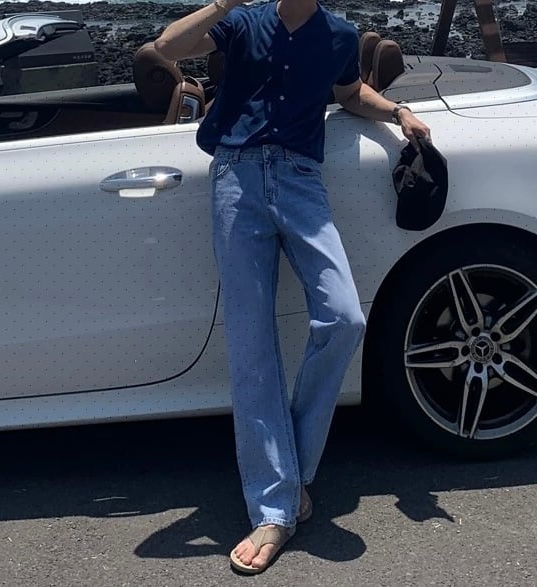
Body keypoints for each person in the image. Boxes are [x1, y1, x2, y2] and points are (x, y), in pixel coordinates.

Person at [154, 0, 432, 575]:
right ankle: (274, 510)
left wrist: (399, 111)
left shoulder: (338, 35)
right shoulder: (243, 21)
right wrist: (224, 3)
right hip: (236, 177)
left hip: (301, 180)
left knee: (345, 318)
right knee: (252, 344)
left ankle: (292, 469)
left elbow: (350, 93)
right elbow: (168, 46)